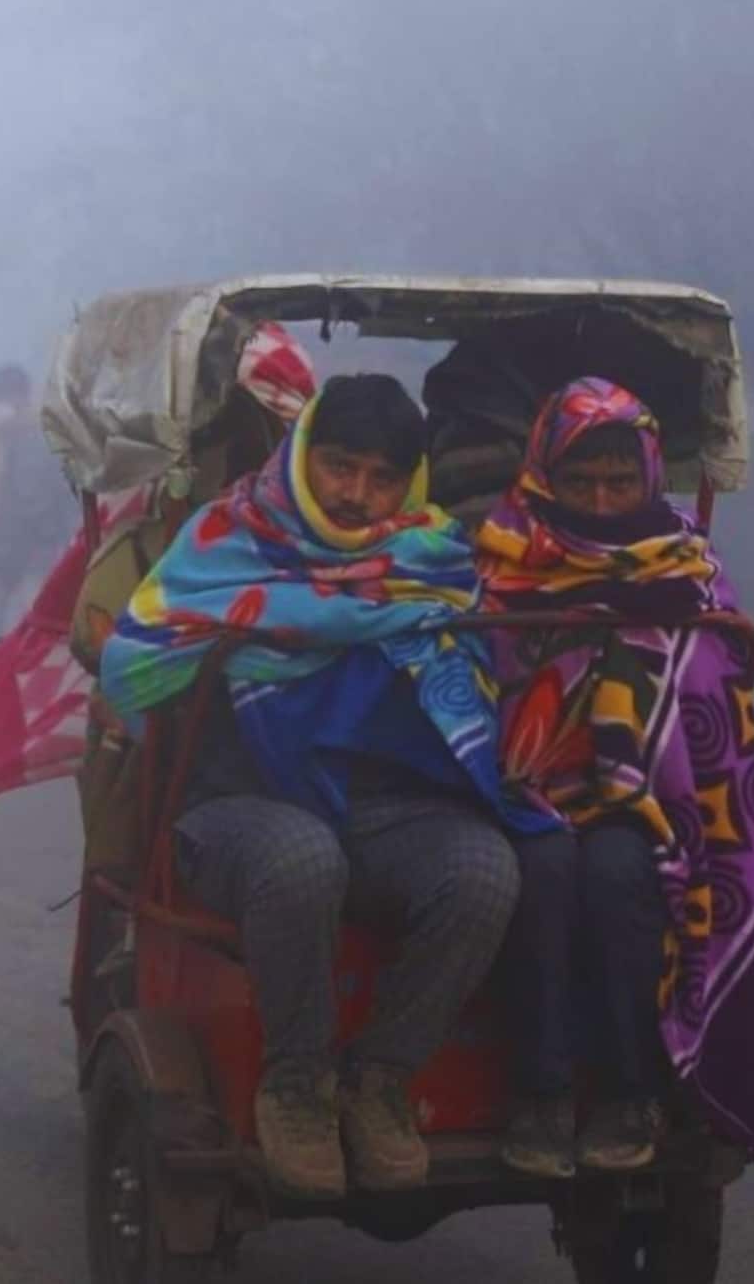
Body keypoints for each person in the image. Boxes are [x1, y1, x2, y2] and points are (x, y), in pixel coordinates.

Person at [100, 374, 555, 1200]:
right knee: (303, 857)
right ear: (303, 457)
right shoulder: (223, 539)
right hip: (231, 814)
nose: (357, 494)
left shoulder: (435, 558)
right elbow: (134, 658)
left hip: (382, 812)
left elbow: (484, 684)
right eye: (339, 466)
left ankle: (379, 1080)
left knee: (485, 867)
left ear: (410, 480)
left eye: (383, 477)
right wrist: (273, 627)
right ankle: (296, 1084)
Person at [478, 378, 754, 1179]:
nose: (602, 500)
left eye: (620, 481)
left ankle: (631, 1092)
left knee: (622, 870)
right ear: (545, 474)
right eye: (581, 482)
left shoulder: (689, 567)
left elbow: (714, 693)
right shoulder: (499, 552)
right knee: (541, 868)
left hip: (652, 799)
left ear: (649, 475)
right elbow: (472, 681)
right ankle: (541, 1092)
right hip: (518, 792)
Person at [0, 362, 74, 640]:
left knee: (31, 612)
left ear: (20, 397)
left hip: (33, 540)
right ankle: (0, 669)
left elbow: (57, 493)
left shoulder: (42, 438)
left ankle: (21, 674)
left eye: (3, 397)